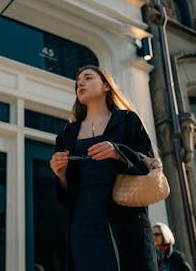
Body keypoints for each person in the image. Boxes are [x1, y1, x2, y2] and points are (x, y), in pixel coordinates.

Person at [50, 65, 157, 271]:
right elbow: (65, 196)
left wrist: (118, 152)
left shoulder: (128, 120)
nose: (80, 83)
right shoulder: (67, 132)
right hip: (82, 222)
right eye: (78, 81)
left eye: (88, 78)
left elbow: (148, 165)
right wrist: (61, 174)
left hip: (124, 219)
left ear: (107, 86)